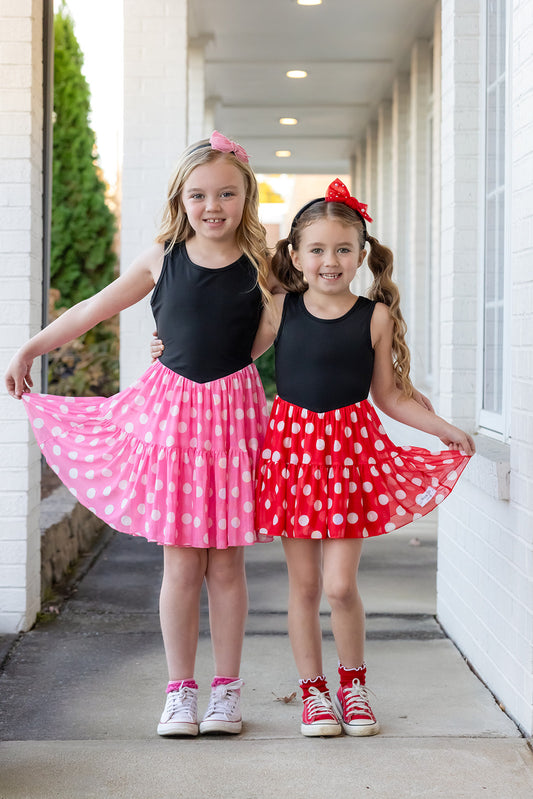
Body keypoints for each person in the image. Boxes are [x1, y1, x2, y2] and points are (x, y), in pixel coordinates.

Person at [4, 131, 274, 738]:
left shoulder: (265, 264)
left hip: (233, 420)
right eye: (198, 194)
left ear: (246, 196)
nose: (212, 206)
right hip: (172, 419)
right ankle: (180, 692)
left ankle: (226, 693)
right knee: (181, 564)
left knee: (227, 565)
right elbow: (93, 308)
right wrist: (31, 347)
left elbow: (295, 324)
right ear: (181, 199)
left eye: (226, 194)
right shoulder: (162, 258)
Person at [251, 179, 475, 738]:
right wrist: (167, 348)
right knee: (304, 587)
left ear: (360, 254)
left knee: (339, 586)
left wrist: (445, 430)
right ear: (296, 255)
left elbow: (390, 397)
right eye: (317, 250)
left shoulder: (374, 317)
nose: (330, 261)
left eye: (342, 249)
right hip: (292, 457)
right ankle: (314, 693)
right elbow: (228, 357)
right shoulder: (280, 309)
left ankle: (353, 687)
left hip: (350, 459)